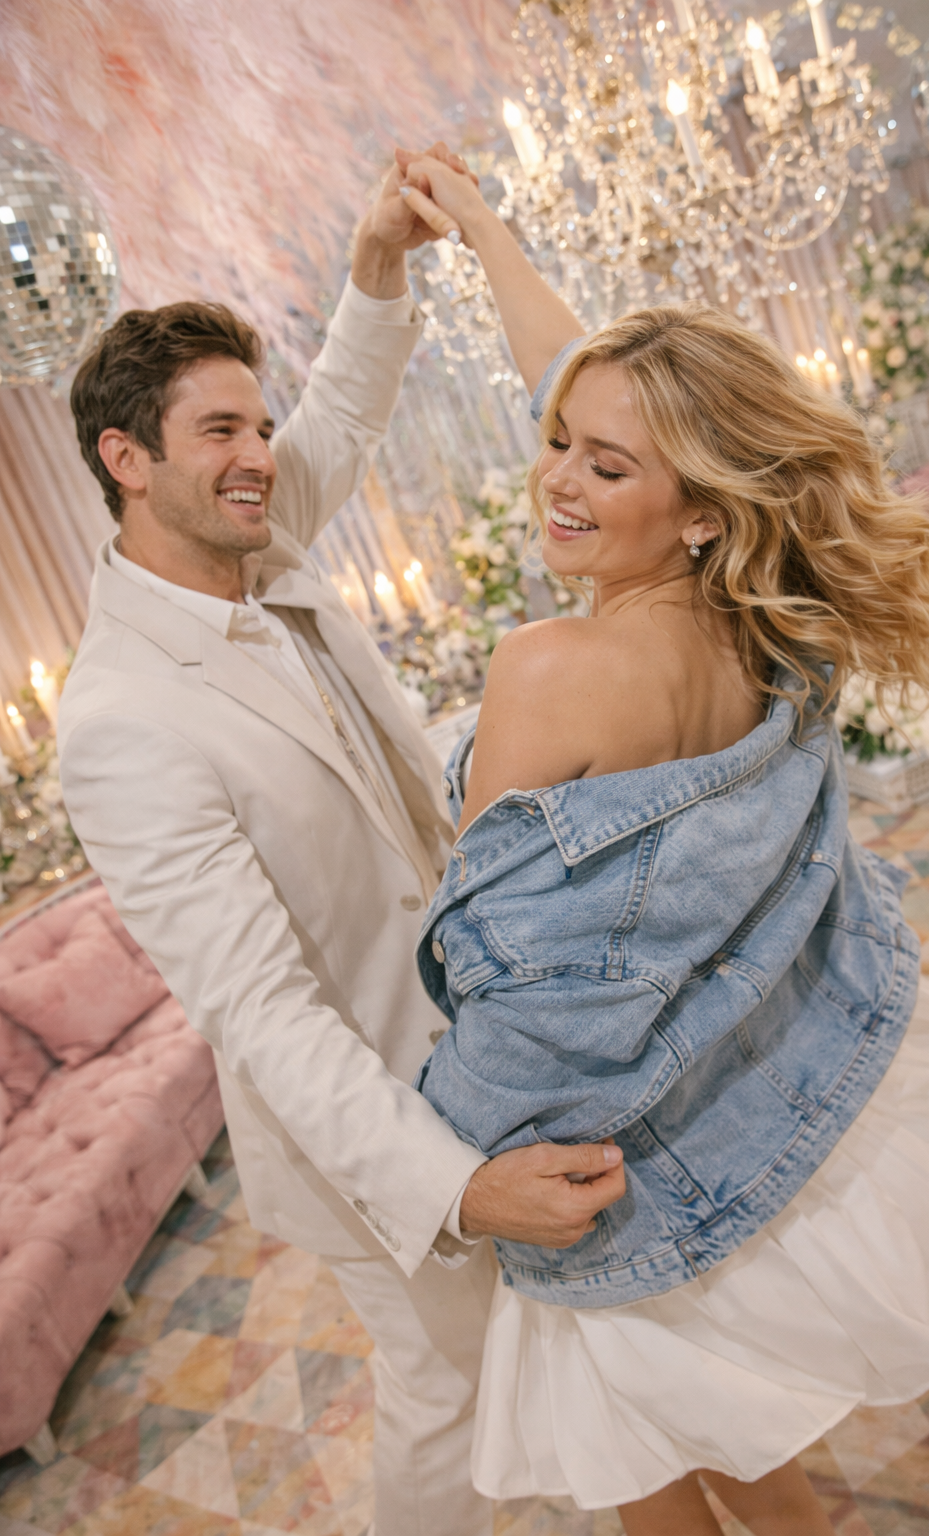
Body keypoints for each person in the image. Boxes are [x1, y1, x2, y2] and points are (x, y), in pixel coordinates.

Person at [396, 157, 929, 1534]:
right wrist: (485, 233)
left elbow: (506, 974)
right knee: (736, 1454)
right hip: (725, 1117)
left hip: (594, 1168)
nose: (553, 478)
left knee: (653, 1477)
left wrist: (452, 1171)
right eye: (558, 438)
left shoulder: (546, 669)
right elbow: (598, 389)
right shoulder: (770, 622)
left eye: (599, 465)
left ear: (695, 507)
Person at [56, 146, 626, 1536]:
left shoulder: (255, 541)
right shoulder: (122, 723)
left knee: (532, 1360)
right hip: (371, 1131)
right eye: (220, 434)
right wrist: (457, 1186)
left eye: (259, 427)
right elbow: (262, 1015)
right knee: (448, 1397)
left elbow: (348, 413)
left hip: (472, 1046)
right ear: (127, 463)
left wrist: (377, 267)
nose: (260, 457)